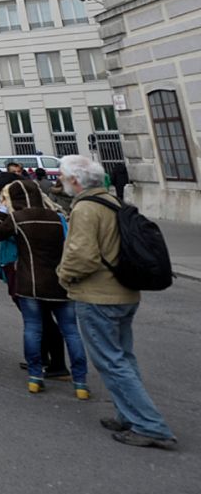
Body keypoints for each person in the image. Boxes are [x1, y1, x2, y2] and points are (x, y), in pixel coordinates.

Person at [57, 155, 176, 449]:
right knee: (123, 358)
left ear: (75, 180)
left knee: (111, 362)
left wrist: (63, 276)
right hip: (124, 291)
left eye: (62, 176)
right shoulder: (112, 201)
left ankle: (150, 425)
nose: (59, 181)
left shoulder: (85, 208)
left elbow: (82, 256)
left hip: (99, 295)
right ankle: (128, 415)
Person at [0, 177, 88, 398]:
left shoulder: (19, 218)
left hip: (31, 280)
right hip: (59, 281)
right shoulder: (57, 217)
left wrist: (2, 211)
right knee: (71, 331)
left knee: (33, 328)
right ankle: (80, 381)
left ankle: (35, 376)